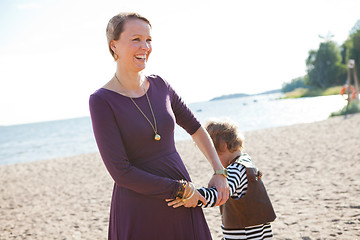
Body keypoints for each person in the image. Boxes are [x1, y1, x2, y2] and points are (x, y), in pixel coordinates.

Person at [89, 12, 229, 240]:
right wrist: (181, 190)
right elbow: (120, 172)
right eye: (136, 39)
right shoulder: (102, 100)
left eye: (148, 40)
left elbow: (195, 127)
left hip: (184, 202)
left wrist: (219, 171)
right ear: (114, 46)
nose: (145, 46)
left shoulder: (161, 85)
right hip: (142, 207)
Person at [167, 118, 276, 240]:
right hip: (259, 233)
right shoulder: (246, 161)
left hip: (244, 235)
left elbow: (220, 193)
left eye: (213, 154)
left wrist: (194, 195)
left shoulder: (236, 169)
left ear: (224, 146)